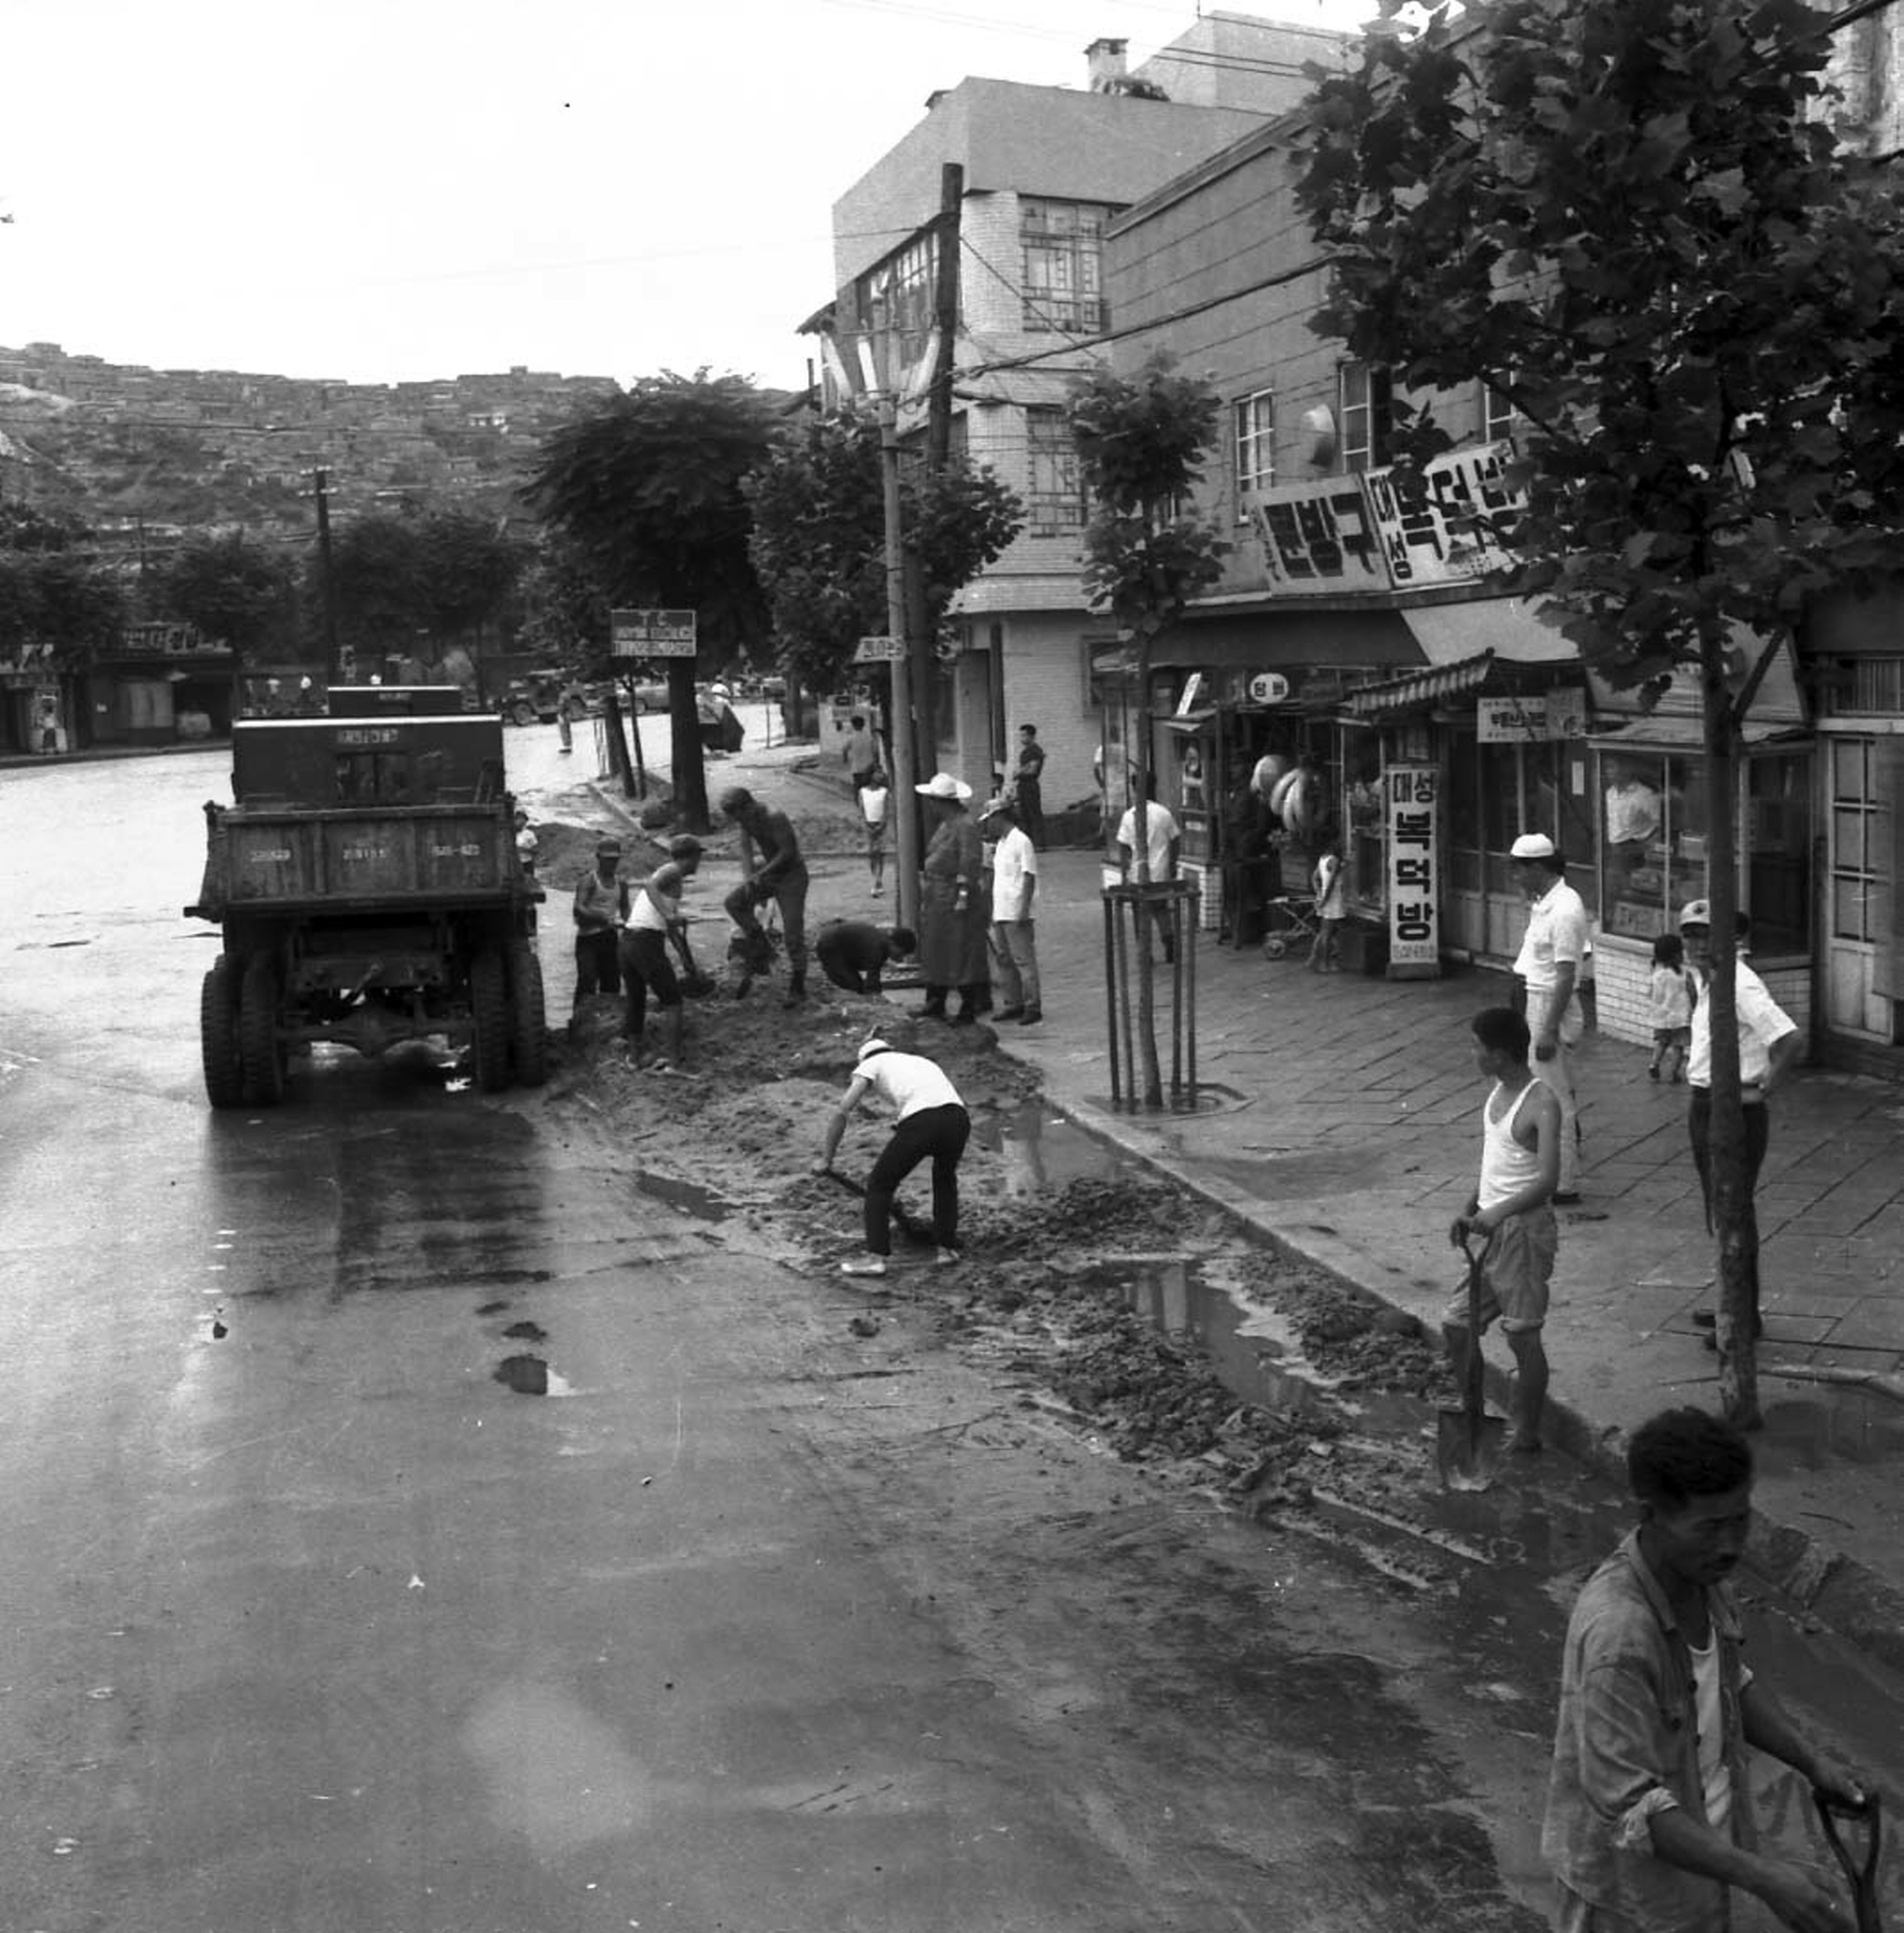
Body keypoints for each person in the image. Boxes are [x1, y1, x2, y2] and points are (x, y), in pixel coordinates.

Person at [1543, 1405, 1869, 1933]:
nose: (1732, 1545)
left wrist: (1813, 1762)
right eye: (1711, 1527)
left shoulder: (1706, 1576)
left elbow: (1727, 1683)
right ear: (1652, 1514)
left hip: (1704, 1871)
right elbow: (1633, 1810)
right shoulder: (1619, 1637)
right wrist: (1764, 1878)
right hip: (1627, 1903)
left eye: (1740, 1520)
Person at [1680, 901, 1803, 1345]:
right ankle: (1730, 1302)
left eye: (1704, 935)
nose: (1695, 943)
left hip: (1734, 1109)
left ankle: (1743, 1317)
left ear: (1730, 939)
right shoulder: (1705, 979)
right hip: (1704, 1101)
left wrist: (1764, 1084)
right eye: (1689, 934)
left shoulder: (1741, 984)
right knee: (1720, 1208)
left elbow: (1789, 1039)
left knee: (1733, 1209)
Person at [1445, 1006, 1561, 1455]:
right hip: (1490, 1228)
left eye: (1476, 1047)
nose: (1471, 1054)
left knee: (1521, 1333)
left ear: (1497, 1055)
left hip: (1524, 1234)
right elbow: (1498, 1161)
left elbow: (1547, 1181)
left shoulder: (1542, 1103)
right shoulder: (1496, 1092)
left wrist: (1497, 1214)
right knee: (1456, 1324)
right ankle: (1471, 1410)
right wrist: (1472, 1206)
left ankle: (1526, 1431)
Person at [813, 1030, 969, 1276]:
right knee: (945, 1178)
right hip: (958, 1118)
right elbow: (931, 1095)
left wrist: (826, 1158)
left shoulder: (870, 1065)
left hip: (922, 1120)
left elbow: (842, 1110)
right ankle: (946, 1249)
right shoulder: (920, 1061)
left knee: (879, 1184)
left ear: (862, 1060)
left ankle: (875, 1258)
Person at [1510, 831, 1591, 1204]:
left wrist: (1546, 1030)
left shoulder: (1565, 910)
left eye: (1520, 869)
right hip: (1534, 997)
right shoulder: (1545, 902)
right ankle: (1547, 1170)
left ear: (1538, 867)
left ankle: (1564, 1181)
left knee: (1555, 1096)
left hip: (1548, 1005)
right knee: (1539, 1092)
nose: (1516, 877)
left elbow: (1564, 976)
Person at [718, 786, 809, 1006]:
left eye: (738, 815)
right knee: (734, 902)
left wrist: (762, 873)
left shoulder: (774, 816)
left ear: (747, 806)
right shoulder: (746, 820)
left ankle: (798, 985)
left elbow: (788, 852)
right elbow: (746, 851)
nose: (738, 821)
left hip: (791, 877)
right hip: (770, 873)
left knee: (792, 933)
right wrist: (749, 879)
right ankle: (761, 947)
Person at [617, 835, 703, 1063]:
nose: (699, 863)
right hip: (646, 942)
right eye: (698, 857)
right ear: (691, 857)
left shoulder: (672, 878)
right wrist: (669, 915)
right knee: (673, 1001)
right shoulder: (672, 870)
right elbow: (649, 886)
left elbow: (671, 930)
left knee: (636, 999)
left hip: (629, 941)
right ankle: (673, 1061)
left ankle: (634, 1058)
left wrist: (687, 961)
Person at [915, 772, 989, 1023]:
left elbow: (969, 861)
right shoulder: (948, 823)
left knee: (961, 949)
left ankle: (968, 1004)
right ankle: (936, 999)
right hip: (938, 894)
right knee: (937, 948)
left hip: (954, 895)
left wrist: (963, 894)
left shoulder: (965, 825)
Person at [981, 794, 1041, 1025]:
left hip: (1016, 910)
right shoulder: (1002, 844)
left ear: (1000, 817)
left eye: (990, 819)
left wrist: (1024, 909)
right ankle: (1012, 1002)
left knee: (1023, 960)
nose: (988, 824)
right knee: (1004, 959)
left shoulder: (1021, 841)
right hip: (1001, 909)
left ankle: (1032, 1004)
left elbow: (1029, 876)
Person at [1115, 780, 1182, 964]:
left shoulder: (1129, 816)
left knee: (1139, 912)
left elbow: (1123, 846)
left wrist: (1125, 870)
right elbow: (1175, 839)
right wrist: (1172, 864)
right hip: (1161, 871)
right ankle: (1169, 943)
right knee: (1161, 909)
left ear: (1135, 789)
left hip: (1138, 873)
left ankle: (1145, 952)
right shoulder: (1164, 813)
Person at [571, 836, 628, 1022]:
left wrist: (629, 924)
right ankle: (579, 1020)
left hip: (610, 938)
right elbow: (579, 908)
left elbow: (625, 908)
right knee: (587, 980)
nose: (611, 863)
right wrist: (601, 918)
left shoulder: (622, 884)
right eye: (607, 859)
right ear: (598, 857)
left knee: (612, 982)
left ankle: (607, 1023)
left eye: (614, 859)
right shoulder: (589, 880)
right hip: (588, 939)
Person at [816, 920, 917, 996]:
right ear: (892, 943)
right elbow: (872, 980)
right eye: (901, 953)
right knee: (852, 986)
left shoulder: (882, 942)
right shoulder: (877, 949)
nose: (901, 958)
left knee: (857, 986)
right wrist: (876, 998)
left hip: (843, 949)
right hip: (830, 947)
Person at [1647, 931, 1696, 1084]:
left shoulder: (1657, 974)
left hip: (1661, 1017)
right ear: (1675, 955)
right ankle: (1674, 1073)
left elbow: (1650, 993)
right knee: (1678, 1046)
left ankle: (1654, 1064)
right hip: (1680, 1018)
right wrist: (1694, 1009)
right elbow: (1692, 993)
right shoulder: (1684, 974)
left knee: (1661, 1042)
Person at [1308, 829, 1347, 972]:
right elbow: (1331, 884)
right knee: (1327, 933)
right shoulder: (1334, 860)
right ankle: (1324, 963)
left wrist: (1319, 893)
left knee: (1324, 932)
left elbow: (1314, 878)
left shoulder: (1323, 859)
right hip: (1332, 899)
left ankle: (1314, 959)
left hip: (1325, 897)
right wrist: (1324, 899)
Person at [1013, 724, 1047, 848]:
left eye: (1024, 735)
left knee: (1033, 813)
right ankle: (1028, 843)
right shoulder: (1026, 751)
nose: (1021, 738)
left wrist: (1019, 772)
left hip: (1030, 785)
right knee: (1025, 814)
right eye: (1020, 735)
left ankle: (1039, 843)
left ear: (1031, 736)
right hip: (1023, 785)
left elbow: (1032, 770)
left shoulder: (1034, 751)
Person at [860, 767, 891, 897]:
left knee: (880, 852)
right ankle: (875, 879)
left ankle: (879, 880)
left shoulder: (884, 792)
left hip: (880, 825)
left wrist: (882, 824)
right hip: (868, 825)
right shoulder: (862, 791)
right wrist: (865, 825)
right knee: (871, 853)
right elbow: (861, 811)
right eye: (877, 773)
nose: (880, 775)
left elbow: (886, 810)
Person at [841, 713, 880, 794]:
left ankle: (859, 803)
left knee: (858, 788)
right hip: (869, 767)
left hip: (857, 768)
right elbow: (875, 751)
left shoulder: (851, 737)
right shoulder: (869, 737)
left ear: (853, 725)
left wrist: (845, 759)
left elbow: (844, 749)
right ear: (863, 725)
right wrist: (876, 763)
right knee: (869, 788)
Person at [513, 809, 539, 878]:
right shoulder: (509, 834)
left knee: (528, 881)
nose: (520, 823)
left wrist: (524, 849)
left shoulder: (529, 834)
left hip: (526, 863)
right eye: (518, 820)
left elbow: (536, 850)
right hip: (513, 864)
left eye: (523, 822)